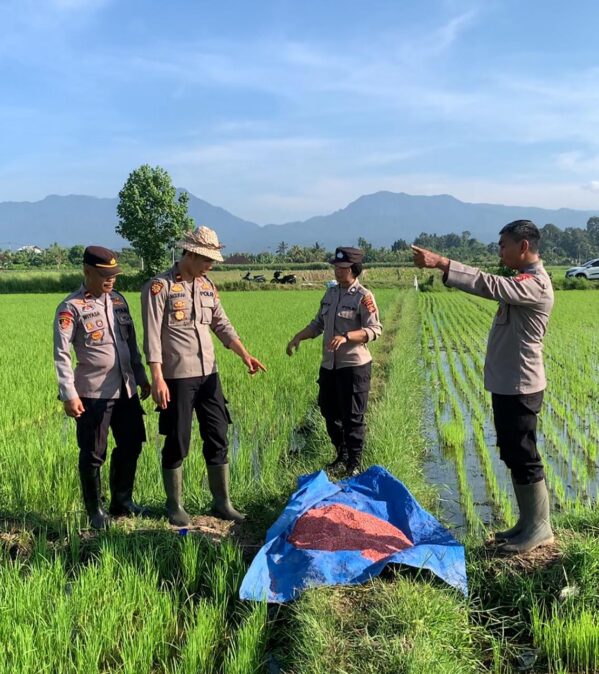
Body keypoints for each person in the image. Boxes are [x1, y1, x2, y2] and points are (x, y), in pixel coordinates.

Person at [412, 219, 554, 553]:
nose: (500, 251)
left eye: (504, 245)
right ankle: (526, 523)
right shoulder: (521, 281)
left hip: (521, 385)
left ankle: (540, 528)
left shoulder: (536, 284)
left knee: (523, 453)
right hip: (508, 384)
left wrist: (443, 263)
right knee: (512, 450)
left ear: (523, 247)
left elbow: (488, 284)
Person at [141, 225, 266, 526]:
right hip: (177, 377)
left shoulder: (207, 286)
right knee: (178, 439)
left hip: (209, 374)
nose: (211, 265)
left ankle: (222, 502)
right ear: (191, 254)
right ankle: (175, 506)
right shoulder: (160, 287)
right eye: (207, 259)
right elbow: (152, 336)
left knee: (218, 433)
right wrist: (157, 377)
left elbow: (222, 324)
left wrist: (244, 353)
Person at [53, 246, 150, 530]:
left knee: (132, 444)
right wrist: (68, 393)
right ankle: (95, 511)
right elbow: (61, 354)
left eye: (114, 275)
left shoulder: (119, 302)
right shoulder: (71, 308)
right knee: (93, 453)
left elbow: (131, 344)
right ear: (87, 272)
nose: (111, 281)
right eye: (104, 275)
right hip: (93, 393)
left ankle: (122, 501)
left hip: (126, 389)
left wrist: (141, 375)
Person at [286, 247, 382, 476]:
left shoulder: (363, 296)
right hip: (330, 366)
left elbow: (375, 329)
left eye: (343, 268)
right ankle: (342, 454)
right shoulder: (330, 294)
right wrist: (298, 337)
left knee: (352, 417)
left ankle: (355, 464)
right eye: (336, 268)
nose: (338, 272)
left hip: (354, 366)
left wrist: (347, 336)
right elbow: (318, 324)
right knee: (328, 411)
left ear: (354, 269)